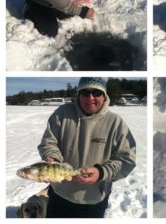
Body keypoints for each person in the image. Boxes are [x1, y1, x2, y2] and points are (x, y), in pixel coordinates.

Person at [38, 77, 136, 218]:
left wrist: (100, 172)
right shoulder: (62, 113)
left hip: (93, 202)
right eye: (85, 92)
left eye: (96, 93)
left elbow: (127, 160)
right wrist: (52, 159)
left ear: (104, 96)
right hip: (59, 196)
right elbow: (49, 142)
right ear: (78, 95)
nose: (90, 97)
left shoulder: (116, 123)